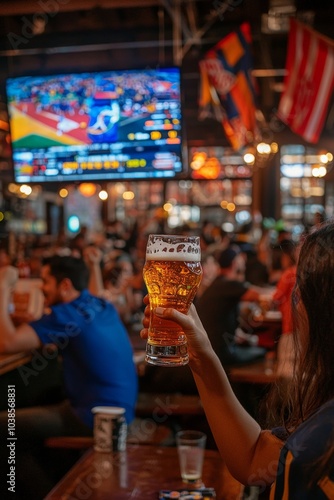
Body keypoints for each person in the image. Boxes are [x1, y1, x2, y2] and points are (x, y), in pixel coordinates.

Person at [140, 220, 334, 498]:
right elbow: (254, 459)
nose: (295, 297)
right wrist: (201, 354)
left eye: (301, 284)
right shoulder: (318, 434)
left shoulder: (319, 446)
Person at [0, 255, 138, 497]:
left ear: (64, 285)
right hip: (121, 412)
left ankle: (48, 494)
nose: (41, 288)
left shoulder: (65, 315)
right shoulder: (98, 304)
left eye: (45, 281)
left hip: (94, 417)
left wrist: (2, 286)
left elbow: (7, 342)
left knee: (6, 426)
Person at [195, 245, 267, 367]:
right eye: (240, 258)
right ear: (234, 263)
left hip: (213, 350)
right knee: (265, 352)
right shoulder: (228, 284)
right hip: (221, 354)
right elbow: (261, 295)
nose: (244, 260)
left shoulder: (219, 283)